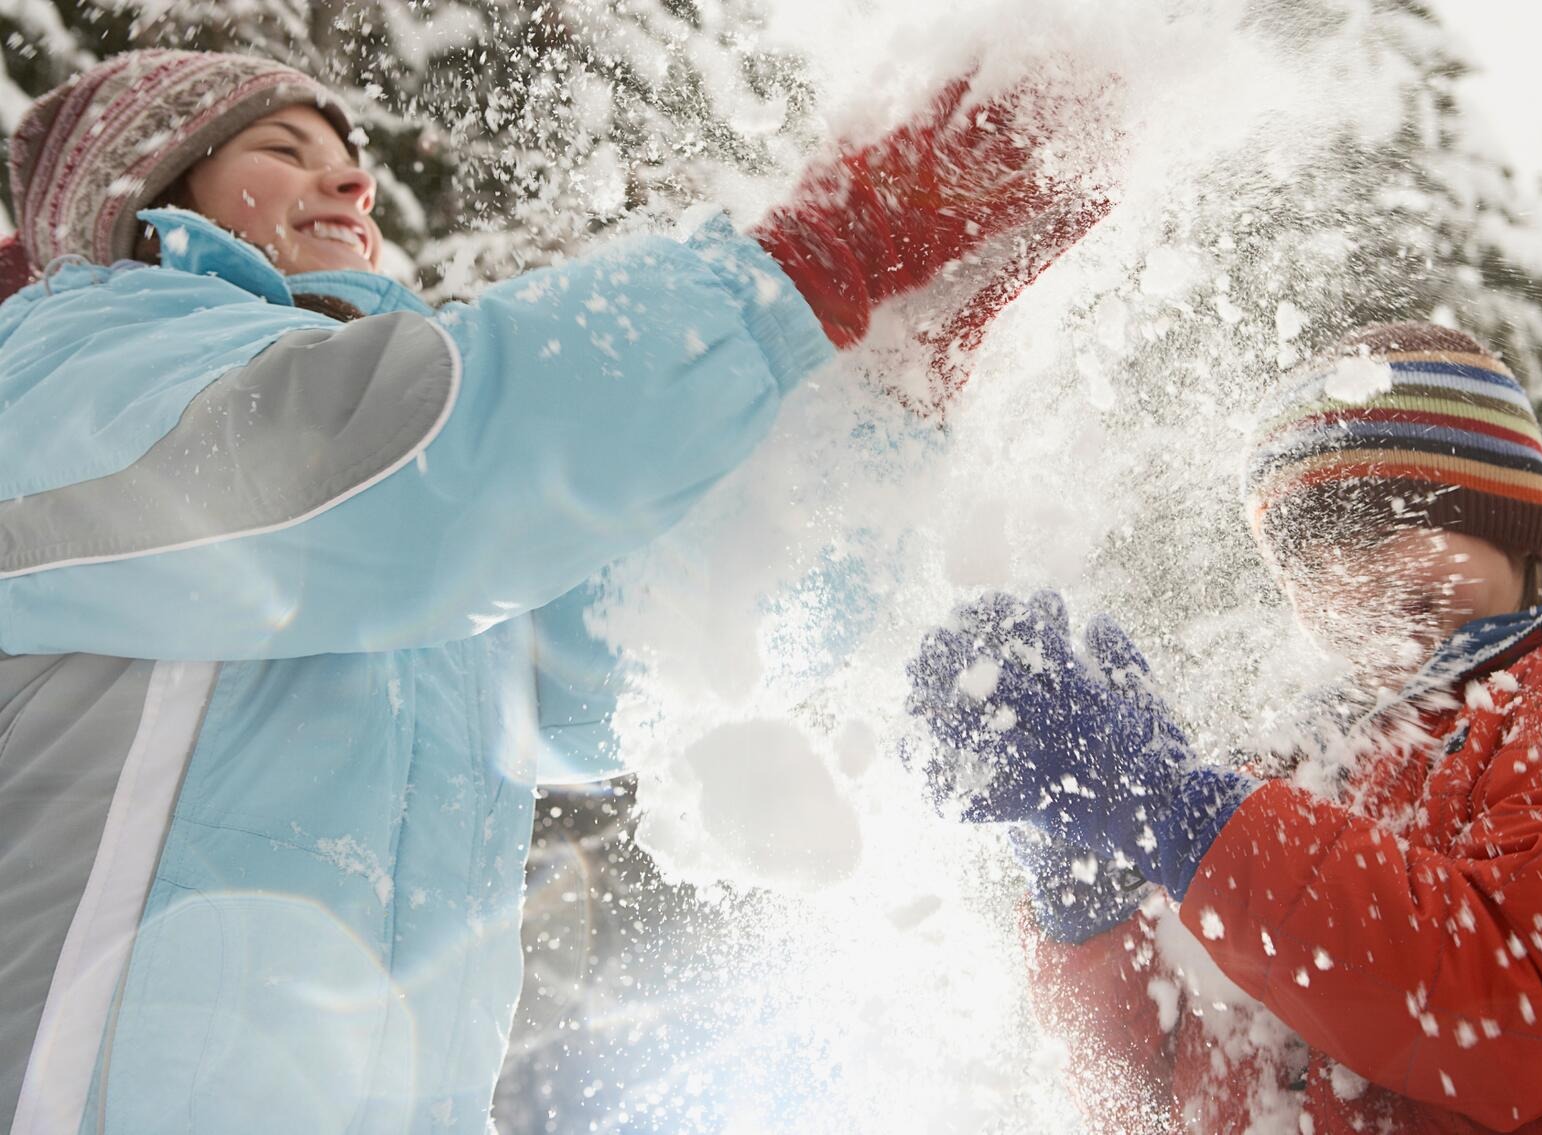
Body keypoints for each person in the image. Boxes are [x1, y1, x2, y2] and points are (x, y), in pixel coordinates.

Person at [0, 49, 1109, 1133]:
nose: (348, 181)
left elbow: (647, 657)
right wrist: (817, 258)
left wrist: (881, 392)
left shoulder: (401, 528)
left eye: (348, 161)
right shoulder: (69, 359)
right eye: (282, 150)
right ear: (137, 197)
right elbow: (383, 480)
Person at [907, 321, 1542, 1133]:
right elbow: (1143, 1106)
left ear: (1509, 530)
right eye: (1310, 558)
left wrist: (1183, 816)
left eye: (1388, 521)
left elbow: (1525, 1009)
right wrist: (1093, 896)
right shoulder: (1284, 773)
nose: (1353, 577)